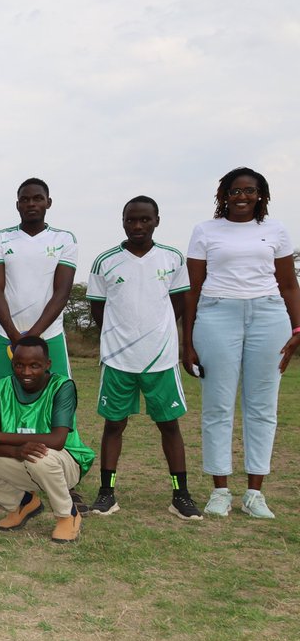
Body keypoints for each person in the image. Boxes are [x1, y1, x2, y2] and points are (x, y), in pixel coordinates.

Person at [182, 167, 300, 519]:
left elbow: (288, 285)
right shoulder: (205, 230)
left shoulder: (275, 230)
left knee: (263, 407)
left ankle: (254, 494)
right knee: (217, 406)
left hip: (269, 315)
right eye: (235, 191)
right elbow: (192, 289)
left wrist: (298, 329)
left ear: (261, 195)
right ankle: (220, 491)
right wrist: (187, 343)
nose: (242, 197)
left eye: (250, 191)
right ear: (224, 195)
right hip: (217, 315)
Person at [85, 196, 201, 520]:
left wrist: (156, 332)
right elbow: (98, 309)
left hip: (160, 358)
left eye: (145, 219)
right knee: (113, 425)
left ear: (156, 221)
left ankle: (181, 495)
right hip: (118, 359)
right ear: (123, 222)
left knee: (169, 425)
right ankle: (107, 493)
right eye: (131, 220)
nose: (137, 226)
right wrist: (121, 337)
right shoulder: (105, 261)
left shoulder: (172, 258)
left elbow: (178, 303)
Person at [0, 336, 95, 544]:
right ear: (12, 364)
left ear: (47, 364)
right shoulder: (2, 387)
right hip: (22, 461)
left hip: (64, 464)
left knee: (39, 455)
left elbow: (57, 440)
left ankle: (68, 515)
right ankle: (24, 503)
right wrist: (16, 451)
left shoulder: (62, 386)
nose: (26, 372)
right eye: (19, 365)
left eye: (34, 366)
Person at [0, 178, 78, 383]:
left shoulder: (64, 239)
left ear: (48, 202)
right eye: (25, 200)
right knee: (4, 396)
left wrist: (33, 337)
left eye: (38, 198)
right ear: (17, 204)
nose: (31, 204)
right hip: (8, 336)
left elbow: (62, 293)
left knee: (58, 395)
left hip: (50, 335)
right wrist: (14, 336)